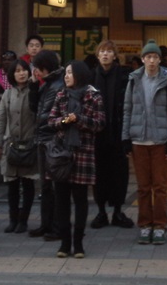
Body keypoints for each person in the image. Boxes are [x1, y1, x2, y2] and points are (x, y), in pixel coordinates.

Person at [122, 39, 167, 245]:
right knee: (143, 187)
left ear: (160, 60)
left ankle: (160, 225)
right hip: (139, 141)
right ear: (143, 59)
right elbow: (127, 109)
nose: (152, 61)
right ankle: (145, 225)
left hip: (160, 140)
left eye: (155, 57)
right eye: (148, 57)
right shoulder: (133, 80)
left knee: (160, 186)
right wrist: (125, 138)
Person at [48, 60, 105, 258]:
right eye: (65, 73)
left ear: (80, 74)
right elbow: (52, 120)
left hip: (83, 154)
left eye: (70, 73)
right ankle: (64, 244)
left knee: (81, 200)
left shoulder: (93, 96)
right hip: (62, 155)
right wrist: (65, 121)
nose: (66, 76)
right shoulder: (61, 94)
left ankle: (78, 244)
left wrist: (79, 120)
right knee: (61, 200)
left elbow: (99, 123)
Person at [91, 40, 134, 229]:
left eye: (109, 51)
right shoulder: (91, 77)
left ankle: (117, 211)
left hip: (119, 133)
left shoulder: (125, 76)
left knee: (120, 173)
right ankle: (101, 212)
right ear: (98, 55)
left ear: (115, 55)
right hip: (97, 134)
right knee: (99, 173)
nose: (106, 54)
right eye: (102, 51)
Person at [0, 57, 38, 233]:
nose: (21, 73)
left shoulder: (34, 92)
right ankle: (13, 219)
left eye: (24, 70)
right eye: (17, 71)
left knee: (27, 184)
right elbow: (1, 120)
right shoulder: (7, 94)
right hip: (10, 145)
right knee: (11, 185)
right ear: (12, 74)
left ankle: (23, 220)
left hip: (29, 145)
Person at [29, 48, 65, 239]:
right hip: (42, 139)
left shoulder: (59, 84)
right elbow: (34, 108)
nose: (35, 71)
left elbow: (58, 115)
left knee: (54, 185)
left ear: (45, 67)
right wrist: (33, 87)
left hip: (53, 139)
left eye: (37, 68)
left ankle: (57, 227)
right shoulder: (46, 84)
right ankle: (46, 224)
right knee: (45, 186)